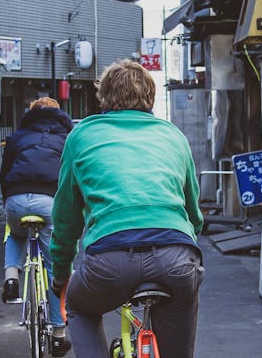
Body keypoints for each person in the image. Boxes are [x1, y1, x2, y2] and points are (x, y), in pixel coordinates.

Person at [50, 60, 205, 358]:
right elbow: (193, 214)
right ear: (150, 96)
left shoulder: (80, 136)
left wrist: (60, 275)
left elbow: (66, 217)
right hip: (176, 255)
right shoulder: (173, 135)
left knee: (79, 307)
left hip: (109, 260)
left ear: (103, 96)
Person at [0, 96, 74, 356]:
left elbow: (4, 173)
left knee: (15, 232)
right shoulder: (67, 139)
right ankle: (58, 334)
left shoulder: (18, 136)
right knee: (56, 267)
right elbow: (70, 177)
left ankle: (11, 277)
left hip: (16, 199)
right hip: (49, 202)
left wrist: (8, 200)